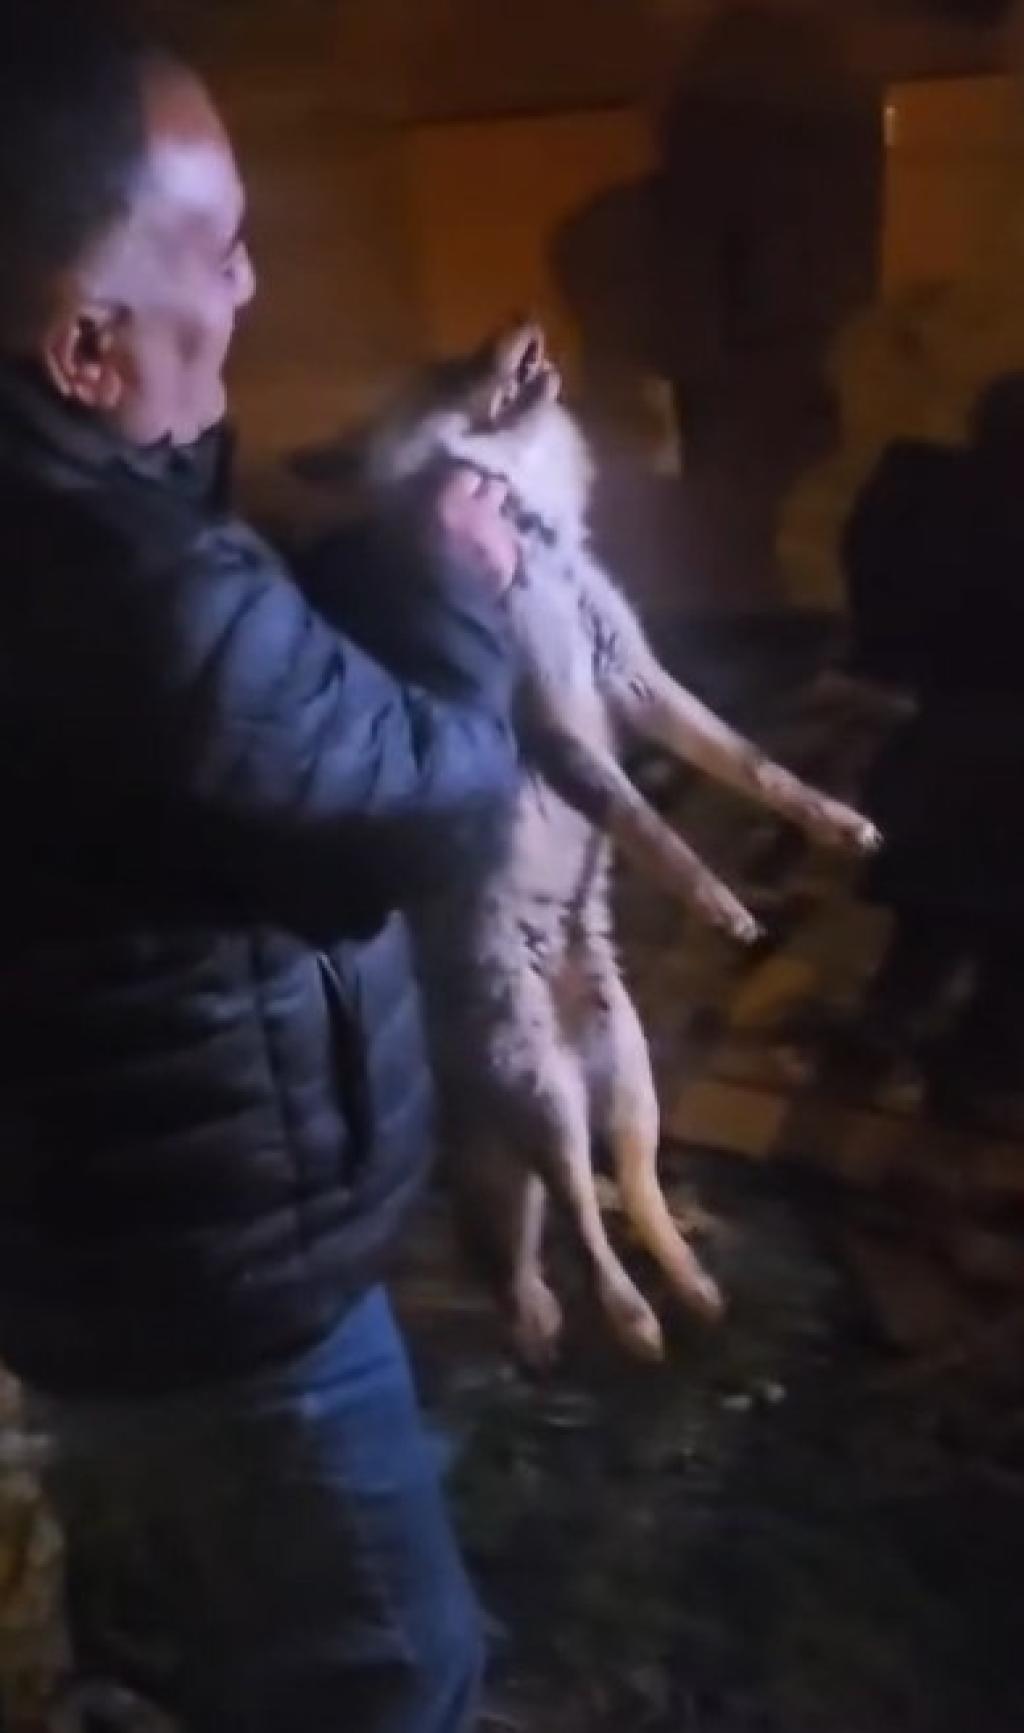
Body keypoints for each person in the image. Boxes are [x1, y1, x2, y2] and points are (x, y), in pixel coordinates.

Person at [0, 6, 522, 1730]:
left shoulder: (73, 525)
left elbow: (222, 723)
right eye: (217, 249)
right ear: (85, 344)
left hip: (84, 1253)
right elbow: (429, 804)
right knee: (387, 1677)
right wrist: (449, 587)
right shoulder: (138, 597)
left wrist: (344, 538)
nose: (248, 288)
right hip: (231, 1306)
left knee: (193, 1652)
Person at [838, 376, 1024, 1128]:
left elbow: (884, 617)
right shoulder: (965, 508)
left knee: (932, 924)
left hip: (942, 747)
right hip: (987, 759)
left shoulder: (932, 499)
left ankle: (884, 1041)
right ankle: (972, 1074)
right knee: (996, 943)